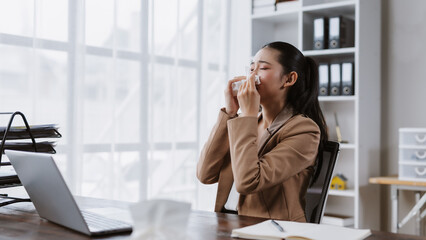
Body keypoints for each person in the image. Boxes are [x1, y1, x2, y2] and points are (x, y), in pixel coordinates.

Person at [196, 41, 328, 222]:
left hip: (274, 230)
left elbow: (248, 182)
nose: (252, 76)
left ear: (289, 79)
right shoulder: (247, 122)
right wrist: (230, 113)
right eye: (251, 68)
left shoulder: (304, 130)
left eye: (263, 68)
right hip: (231, 223)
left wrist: (247, 115)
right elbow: (205, 174)